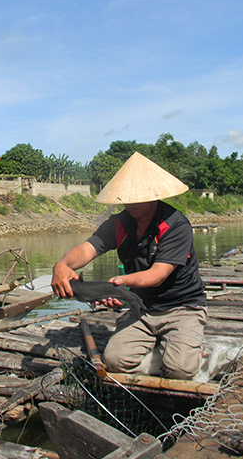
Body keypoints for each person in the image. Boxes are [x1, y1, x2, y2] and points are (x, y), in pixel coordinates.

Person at [52, 152, 207, 380]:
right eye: (127, 197)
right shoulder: (119, 224)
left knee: (180, 369)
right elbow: (87, 249)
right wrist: (62, 264)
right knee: (115, 361)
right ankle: (164, 344)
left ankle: (184, 346)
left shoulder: (175, 225)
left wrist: (121, 283)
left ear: (153, 195)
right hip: (141, 307)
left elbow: (158, 274)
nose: (131, 202)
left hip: (182, 307)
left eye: (138, 197)